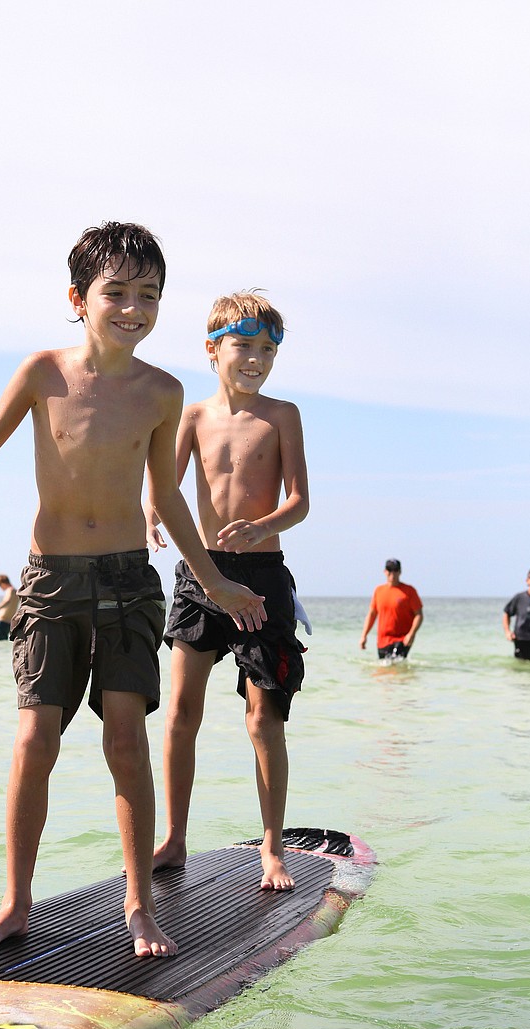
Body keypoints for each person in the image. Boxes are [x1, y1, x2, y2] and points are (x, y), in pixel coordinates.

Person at [0, 221, 266, 960]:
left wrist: (215, 581)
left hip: (128, 580)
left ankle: (139, 904)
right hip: (52, 581)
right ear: (78, 298)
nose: (134, 308)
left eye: (150, 295)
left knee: (125, 739)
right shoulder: (43, 373)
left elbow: (166, 498)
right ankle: (15, 901)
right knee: (34, 738)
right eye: (117, 292)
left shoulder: (163, 392)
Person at [147, 291, 309, 889]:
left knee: (264, 718)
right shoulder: (192, 416)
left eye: (268, 349)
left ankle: (272, 846)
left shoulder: (283, 415)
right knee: (180, 711)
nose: (256, 359)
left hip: (262, 577)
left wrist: (263, 526)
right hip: (199, 574)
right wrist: (149, 514)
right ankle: (174, 838)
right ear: (213, 350)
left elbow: (300, 501)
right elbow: (164, 486)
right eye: (244, 345)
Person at [359, 559, 423, 659]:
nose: (392, 573)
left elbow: (419, 615)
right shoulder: (379, 591)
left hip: (402, 639)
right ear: (385, 572)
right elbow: (372, 614)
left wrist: (412, 633)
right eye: (389, 570)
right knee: (384, 666)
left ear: (400, 572)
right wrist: (364, 635)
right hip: (383, 640)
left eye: (395, 570)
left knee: (396, 664)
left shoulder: (409, 591)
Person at [502, 568, 530, 660]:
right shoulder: (519, 598)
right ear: (527, 581)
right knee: (521, 666)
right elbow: (507, 613)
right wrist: (507, 632)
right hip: (522, 640)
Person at [0, 574, 19, 640]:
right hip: (9, 622)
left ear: (2, 583)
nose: (0, 587)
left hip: (2, 620)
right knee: (3, 640)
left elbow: (7, 601)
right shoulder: (16, 591)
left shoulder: (9, 590)